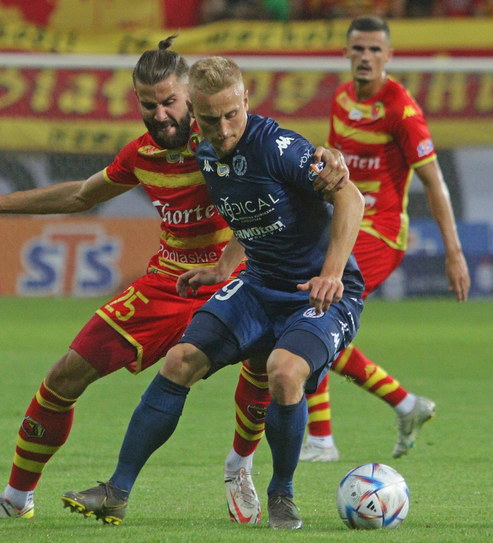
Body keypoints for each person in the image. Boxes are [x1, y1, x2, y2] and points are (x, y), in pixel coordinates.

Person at [0, 36, 349, 521]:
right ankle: (16, 498)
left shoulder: (226, 134)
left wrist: (328, 157)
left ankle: (242, 464)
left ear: (192, 99)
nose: (160, 115)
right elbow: (80, 196)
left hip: (242, 275)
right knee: (65, 375)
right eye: (148, 104)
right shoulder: (143, 154)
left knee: (267, 371)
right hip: (171, 281)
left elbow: (280, 176)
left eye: (170, 103)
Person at [60, 56, 366, 530]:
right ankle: (116, 492)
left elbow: (350, 196)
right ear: (193, 114)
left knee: (283, 373)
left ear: (246, 100)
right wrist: (222, 266)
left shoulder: (280, 147)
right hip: (258, 284)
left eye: (231, 115)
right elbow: (250, 212)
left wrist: (332, 273)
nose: (222, 129)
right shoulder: (205, 152)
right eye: (209, 119)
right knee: (180, 360)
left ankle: (282, 494)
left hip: (318, 293)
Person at [223, 16, 471, 509]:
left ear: (389, 56)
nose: (365, 56)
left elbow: (434, 182)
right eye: (358, 47)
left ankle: (327, 436)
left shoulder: (402, 109)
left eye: (375, 49)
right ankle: (394, 408)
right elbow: (335, 166)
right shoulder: (341, 99)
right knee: (309, 317)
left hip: (379, 233)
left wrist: (454, 250)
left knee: (316, 310)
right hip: (341, 221)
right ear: (346, 51)